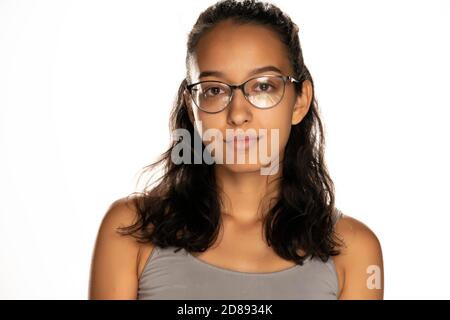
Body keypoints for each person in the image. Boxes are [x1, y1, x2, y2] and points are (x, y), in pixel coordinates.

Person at [89, 0, 384, 300]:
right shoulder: (129, 231)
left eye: (263, 87)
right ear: (192, 108)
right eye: (215, 90)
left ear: (300, 101)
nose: (238, 113)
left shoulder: (354, 251)